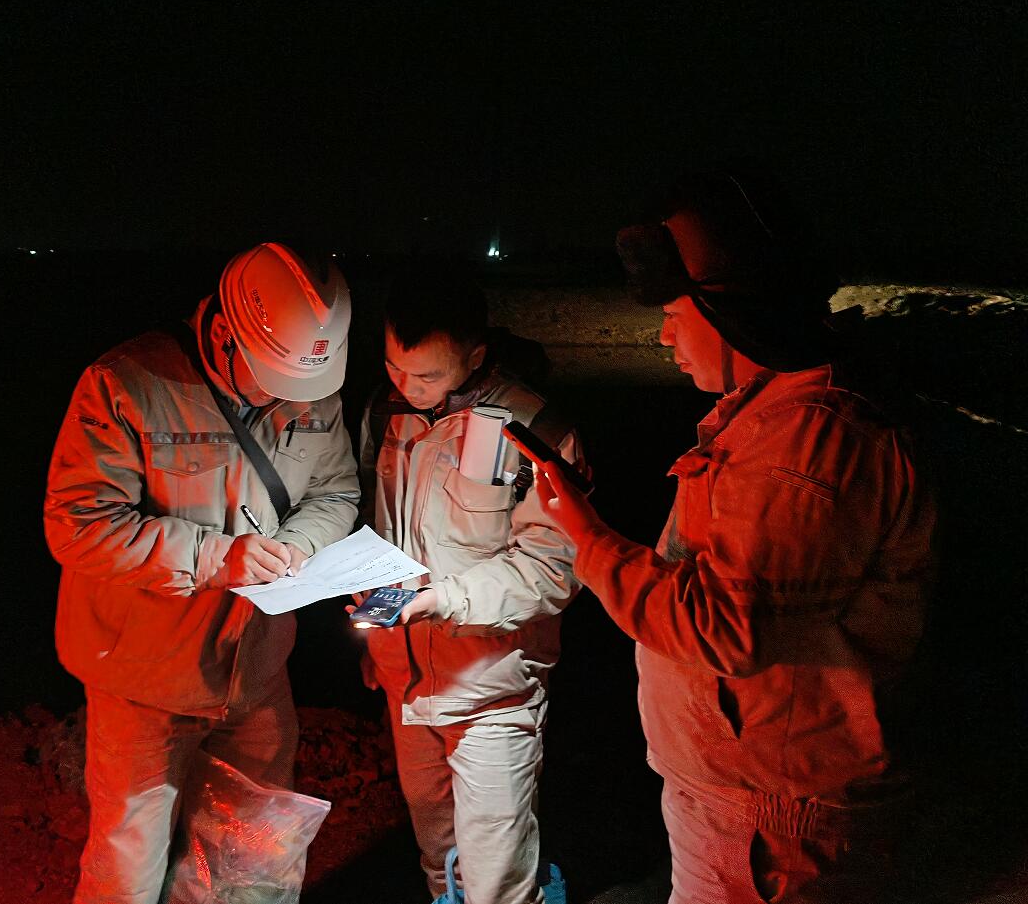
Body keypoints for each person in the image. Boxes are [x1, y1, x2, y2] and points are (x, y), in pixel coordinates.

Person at [518, 171, 935, 903]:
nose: (664, 334)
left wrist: (587, 535)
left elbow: (724, 626)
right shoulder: (771, 413)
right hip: (744, 801)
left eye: (674, 312)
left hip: (774, 825)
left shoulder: (808, 442)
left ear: (732, 309)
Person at [44, 243, 360, 904]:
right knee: (128, 870)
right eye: (271, 378)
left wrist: (295, 547)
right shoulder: (126, 385)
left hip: (256, 672)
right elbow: (78, 525)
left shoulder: (312, 386)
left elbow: (335, 492)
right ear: (223, 336)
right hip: (145, 681)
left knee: (253, 864)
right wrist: (218, 558)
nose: (288, 397)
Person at [359, 271, 584, 904]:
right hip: (407, 685)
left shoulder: (535, 428)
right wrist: (374, 633)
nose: (408, 387)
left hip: (493, 689)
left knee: (494, 881)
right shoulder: (385, 413)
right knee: (439, 857)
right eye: (395, 367)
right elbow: (376, 526)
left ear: (476, 355)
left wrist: (444, 600)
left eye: (427, 375)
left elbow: (555, 566)